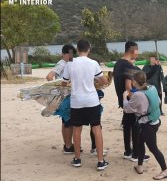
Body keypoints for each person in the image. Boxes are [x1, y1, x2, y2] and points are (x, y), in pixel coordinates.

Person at [61, 39, 108, 170]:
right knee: (96, 128)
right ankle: (100, 161)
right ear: (89, 49)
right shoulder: (93, 63)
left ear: (77, 49)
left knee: (77, 129)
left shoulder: (70, 63)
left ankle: (77, 159)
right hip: (92, 100)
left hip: (76, 101)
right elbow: (103, 81)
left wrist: (72, 82)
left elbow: (64, 83)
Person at [123, 70, 167, 180]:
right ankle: (139, 166)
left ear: (134, 82)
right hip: (155, 120)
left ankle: (165, 171)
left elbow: (127, 109)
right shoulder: (152, 88)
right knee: (139, 143)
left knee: (153, 148)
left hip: (147, 124)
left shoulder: (138, 95)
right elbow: (157, 101)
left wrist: (125, 97)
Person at [46, 44, 77, 154]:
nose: (71, 56)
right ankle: (68, 146)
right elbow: (49, 76)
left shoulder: (68, 63)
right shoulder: (62, 64)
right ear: (64, 54)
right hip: (65, 96)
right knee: (68, 121)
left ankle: (67, 144)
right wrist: (57, 88)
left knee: (65, 121)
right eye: (69, 54)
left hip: (65, 95)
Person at [113, 41, 141, 161]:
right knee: (135, 126)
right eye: (137, 50)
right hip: (131, 100)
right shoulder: (128, 66)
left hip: (122, 99)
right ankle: (135, 153)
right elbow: (129, 86)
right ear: (132, 50)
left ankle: (127, 151)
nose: (138, 53)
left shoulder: (118, 63)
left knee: (127, 125)